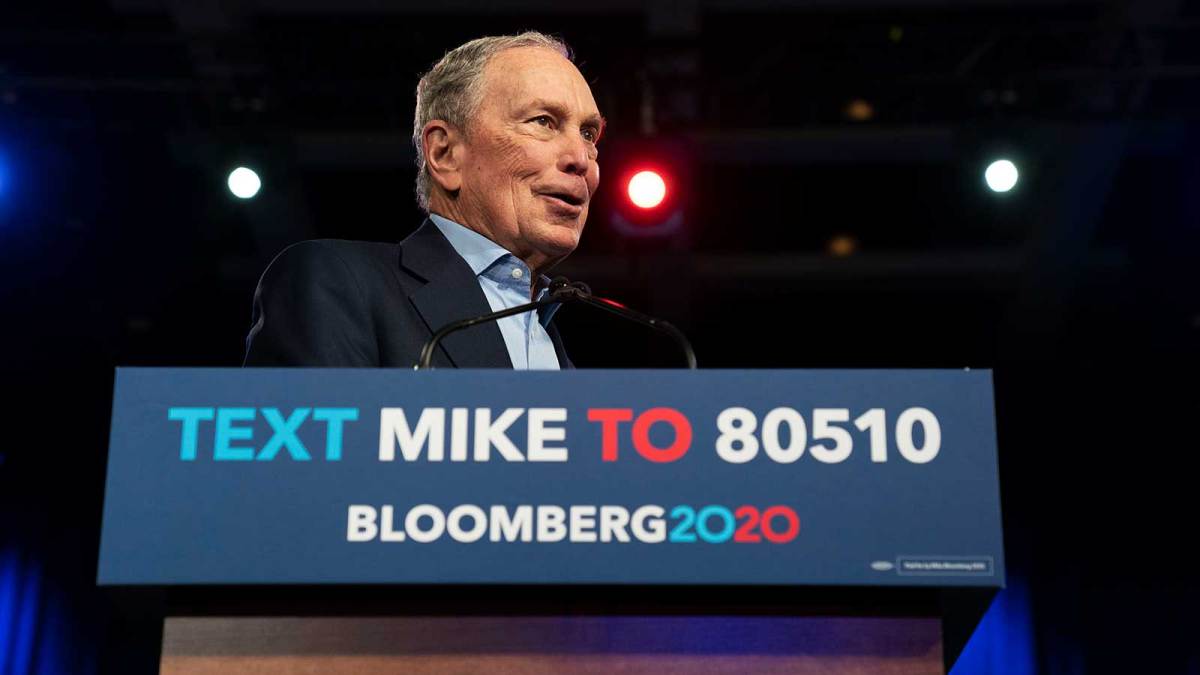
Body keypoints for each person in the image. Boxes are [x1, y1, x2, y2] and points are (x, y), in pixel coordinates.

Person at [243, 31, 603, 368]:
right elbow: (316, 433)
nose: (581, 159)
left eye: (588, 133)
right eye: (543, 121)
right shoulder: (338, 283)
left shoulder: (555, 341)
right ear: (446, 154)